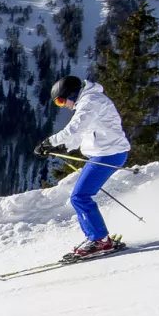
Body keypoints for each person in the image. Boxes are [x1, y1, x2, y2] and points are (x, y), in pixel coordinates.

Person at [35, 75, 132, 259]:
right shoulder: (88, 101)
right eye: (58, 103)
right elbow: (82, 134)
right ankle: (99, 238)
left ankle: (99, 240)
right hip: (105, 152)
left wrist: (49, 142)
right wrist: (62, 146)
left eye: (62, 100)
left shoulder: (90, 101)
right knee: (81, 196)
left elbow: (74, 129)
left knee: (80, 196)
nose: (63, 105)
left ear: (72, 94)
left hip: (109, 154)